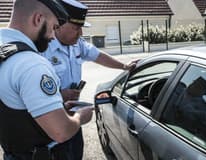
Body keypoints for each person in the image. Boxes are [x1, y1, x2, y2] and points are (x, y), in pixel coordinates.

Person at [41, 0, 138, 159]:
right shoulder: (43, 48)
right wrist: (60, 94)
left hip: (74, 114)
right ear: (59, 25)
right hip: (53, 119)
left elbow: (98, 56)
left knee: (76, 152)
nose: (80, 34)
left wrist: (124, 66)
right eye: (75, 28)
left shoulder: (77, 44)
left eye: (81, 28)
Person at [0, 0, 94, 160]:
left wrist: (59, 108)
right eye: (54, 27)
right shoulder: (31, 64)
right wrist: (80, 117)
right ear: (38, 19)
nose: (52, 36)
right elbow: (61, 132)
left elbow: (18, 108)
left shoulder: (4, 49)